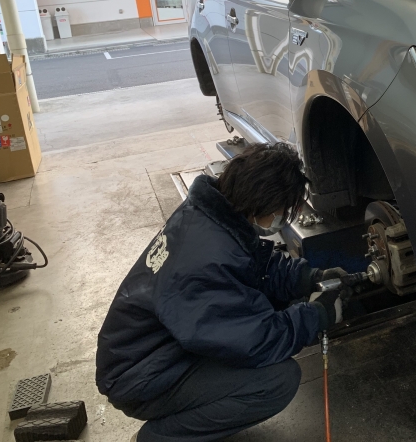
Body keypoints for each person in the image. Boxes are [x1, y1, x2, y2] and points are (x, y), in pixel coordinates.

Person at [95, 143, 347, 442]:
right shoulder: (206, 260)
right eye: (281, 211)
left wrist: (307, 278)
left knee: (278, 310)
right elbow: (255, 341)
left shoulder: (210, 216)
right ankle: (161, 437)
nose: (281, 218)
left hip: (151, 352)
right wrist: (315, 316)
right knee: (277, 381)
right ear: (263, 203)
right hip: (140, 376)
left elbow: (254, 266)